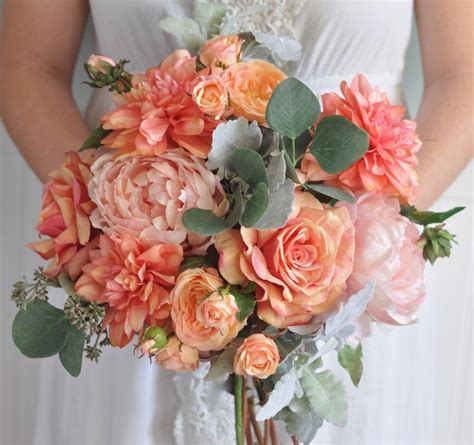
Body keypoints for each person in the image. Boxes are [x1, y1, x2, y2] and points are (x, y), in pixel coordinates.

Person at [1, 1, 472, 444]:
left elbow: (462, 74)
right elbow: (27, 67)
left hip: (356, 290)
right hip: (137, 281)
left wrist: (360, 246)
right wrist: (111, 220)